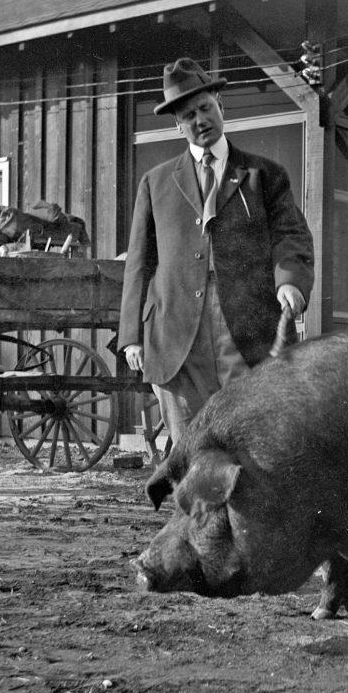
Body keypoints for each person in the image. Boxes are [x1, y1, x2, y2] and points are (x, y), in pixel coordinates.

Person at [119, 58, 314, 446]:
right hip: (174, 331)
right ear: (177, 125)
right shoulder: (155, 183)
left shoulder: (265, 175)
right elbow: (140, 264)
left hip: (243, 324)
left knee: (249, 437)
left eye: (205, 108)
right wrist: (131, 337)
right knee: (190, 447)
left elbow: (290, 235)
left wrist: (289, 282)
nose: (199, 120)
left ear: (221, 105)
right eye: (188, 116)